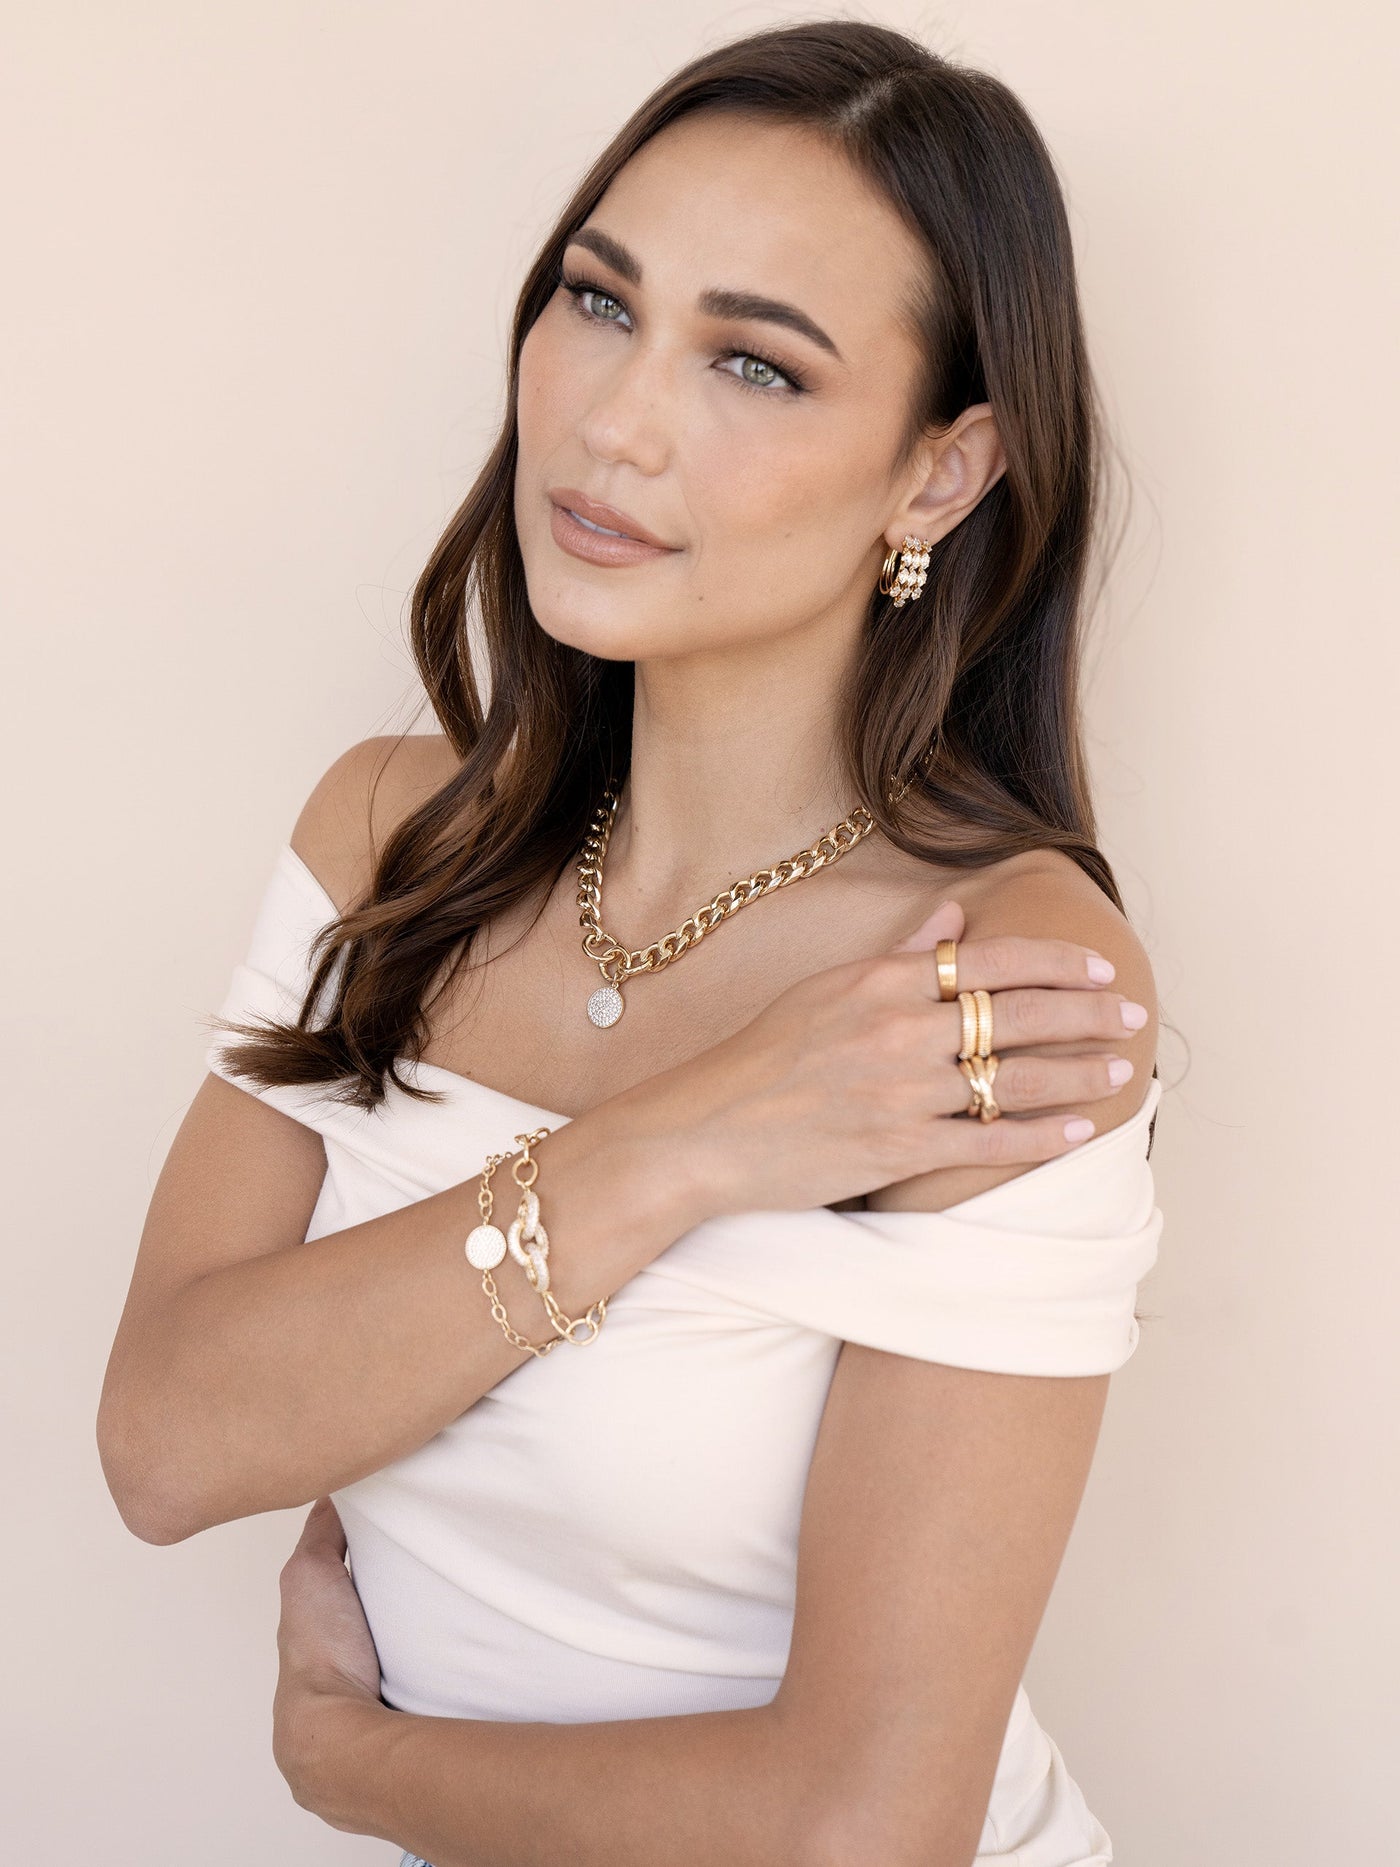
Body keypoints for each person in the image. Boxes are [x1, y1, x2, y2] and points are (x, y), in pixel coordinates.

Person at [98, 20, 1165, 1866]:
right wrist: (681, 1142)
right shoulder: (386, 838)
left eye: (756, 362)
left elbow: (865, 1824)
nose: (614, 421)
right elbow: (170, 1444)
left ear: (942, 474)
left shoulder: (1002, 987)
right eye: (600, 303)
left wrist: (361, 1774)